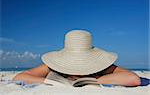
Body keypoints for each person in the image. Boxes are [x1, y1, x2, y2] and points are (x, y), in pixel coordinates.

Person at [13, 30, 141, 86]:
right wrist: (54, 83)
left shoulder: (101, 66)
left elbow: (133, 79)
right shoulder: (53, 66)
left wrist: (91, 80)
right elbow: (19, 77)